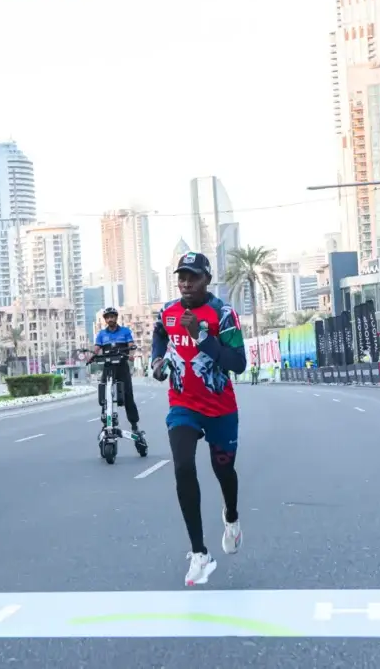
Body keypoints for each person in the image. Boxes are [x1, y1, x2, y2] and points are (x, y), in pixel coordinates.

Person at [151, 251, 246, 586]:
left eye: (193, 277)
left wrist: (202, 337)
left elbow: (238, 363)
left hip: (220, 407)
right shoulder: (168, 312)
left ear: (207, 279)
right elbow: (159, 334)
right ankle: (199, 553)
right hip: (183, 404)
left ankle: (231, 517)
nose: (187, 283)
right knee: (182, 466)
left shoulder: (223, 314)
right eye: (182, 277)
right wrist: (157, 361)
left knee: (224, 471)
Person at [90, 307, 142, 434]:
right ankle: (106, 423)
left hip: (122, 366)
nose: (110, 319)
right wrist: (91, 356)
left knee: (128, 394)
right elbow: (96, 349)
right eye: (108, 317)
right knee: (104, 393)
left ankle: (134, 424)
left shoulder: (125, 331)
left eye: (112, 317)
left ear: (116, 318)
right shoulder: (101, 334)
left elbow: (131, 346)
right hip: (108, 367)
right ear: (105, 320)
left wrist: (131, 354)